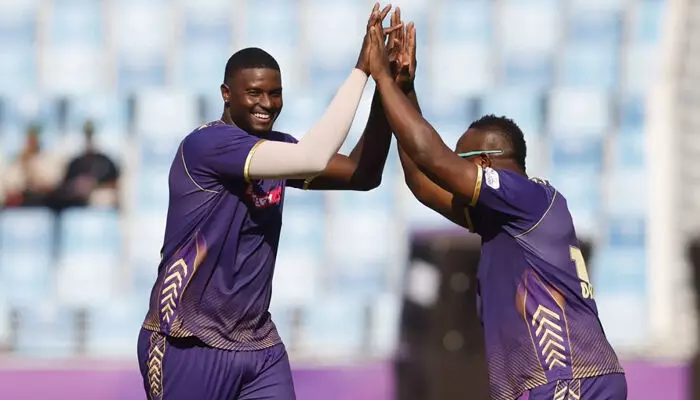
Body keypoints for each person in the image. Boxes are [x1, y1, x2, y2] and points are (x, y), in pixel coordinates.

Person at [136, 4, 404, 400]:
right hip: (186, 341)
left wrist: (386, 86)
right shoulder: (207, 145)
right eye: (254, 93)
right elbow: (313, 157)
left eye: (275, 93)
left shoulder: (276, 149)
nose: (267, 103)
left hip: (259, 346)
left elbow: (363, 175)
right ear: (226, 95)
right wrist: (362, 71)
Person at [365, 21, 627, 400]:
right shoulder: (505, 218)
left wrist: (381, 78)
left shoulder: (527, 197)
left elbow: (430, 156)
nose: (451, 171)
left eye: (460, 161)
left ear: (484, 163)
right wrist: (403, 87)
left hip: (565, 378)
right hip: (552, 382)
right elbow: (421, 180)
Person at [47, 120, 120, 211]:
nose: (89, 137)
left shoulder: (106, 161)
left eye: (91, 133)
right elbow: (65, 185)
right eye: (87, 134)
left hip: (100, 204)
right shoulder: (75, 162)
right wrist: (77, 186)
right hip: (75, 204)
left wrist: (94, 185)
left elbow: (115, 183)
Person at [1, 124, 63, 207]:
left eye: (34, 138)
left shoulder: (47, 159)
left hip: (43, 201)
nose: (31, 142)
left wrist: (31, 166)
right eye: (29, 138)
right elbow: (11, 184)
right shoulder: (19, 160)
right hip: (23, 201)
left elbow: (50, 183)